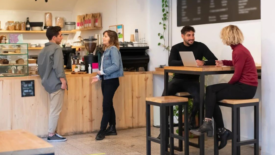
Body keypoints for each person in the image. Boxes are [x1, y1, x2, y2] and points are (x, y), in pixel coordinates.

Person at [190, 25, 258, 150]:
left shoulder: (239, 51)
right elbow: (237, 63)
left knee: (212, 91)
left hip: (246, 88)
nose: (222, 38)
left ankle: (210, 124)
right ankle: (219, 129)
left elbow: (237, 75)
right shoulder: (238, 50)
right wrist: (223, 62)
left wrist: (227, 86)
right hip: (243, 86)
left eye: (223, 36)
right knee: (211, 93)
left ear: (228, 36)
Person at [159, 25, 217, 139]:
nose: (191, 37)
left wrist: (203, 63)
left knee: (200, 96)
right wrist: (188, 62)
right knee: (164, 97)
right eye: (189, 35)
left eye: (193, 35)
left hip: (192, 81)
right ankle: (164, 130)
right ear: (182, 36)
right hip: (178, 80)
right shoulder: (176, 48)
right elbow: (171, 62)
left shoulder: (200, 46)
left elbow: (214, 60)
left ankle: (191, 121)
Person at [91, 30, 124, 141]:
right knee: (108, 104)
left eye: (106, 36)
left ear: (111, 38)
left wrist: (103, 72)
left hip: (112, 81)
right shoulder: (106, 50)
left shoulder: (113, 50)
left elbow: (116, 66)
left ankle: (102, 131)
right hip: (106, 80)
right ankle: (112, 128)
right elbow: (102, 69)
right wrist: (99, 76)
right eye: (103, 36)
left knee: (105, 106)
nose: (104, 38)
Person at [38, 26, 67, 142]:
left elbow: (40, 68)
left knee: (53, 108)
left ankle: (53, 132)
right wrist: (63, 81)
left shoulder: (43, 50)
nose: (62, 37)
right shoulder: (57, 49)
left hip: (47, 83)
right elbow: (58, 66)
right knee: (55, 109)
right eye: (60, 35)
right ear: (54, 37)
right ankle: (51, 134)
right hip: (56, 83)